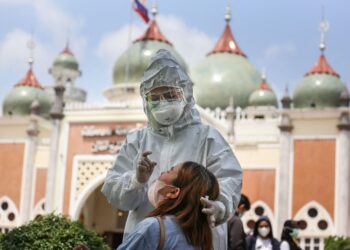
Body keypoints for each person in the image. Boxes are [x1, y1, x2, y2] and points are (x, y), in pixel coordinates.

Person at [101, 49, 242, 250]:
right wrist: (137, 181)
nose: (162, 102)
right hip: (147, 238)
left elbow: (229, 179)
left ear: (184, 93)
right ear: (145, 101)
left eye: (169, 94)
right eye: (154, 97)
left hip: (197, 237)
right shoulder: (137, 140)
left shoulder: (208, 138)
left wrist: (219, 206)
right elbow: (116, 194)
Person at [117, 161, 219, 250]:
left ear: (173, 192)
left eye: (170, 171)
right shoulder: (204, 238)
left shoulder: (152, 227)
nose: (161, 173)